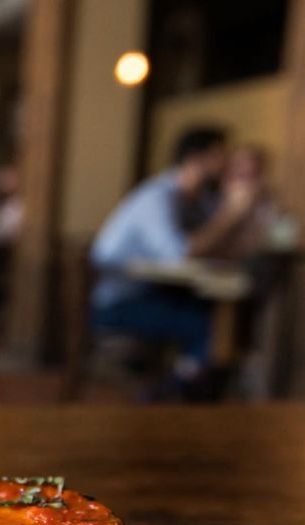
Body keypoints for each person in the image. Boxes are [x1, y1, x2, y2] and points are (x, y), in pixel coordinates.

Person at [91, 126, 255, 383]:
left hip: (154, 291)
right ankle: (175, 392)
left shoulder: (197, 201)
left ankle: (190, 385)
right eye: (220, 156)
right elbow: (181, 254)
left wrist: (242, 210)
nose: (226, 165)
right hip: (118, 300)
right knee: (207, 325)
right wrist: (230, 214)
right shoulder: (156, 197)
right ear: (195, 159)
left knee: (224, 318)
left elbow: (218, 247)